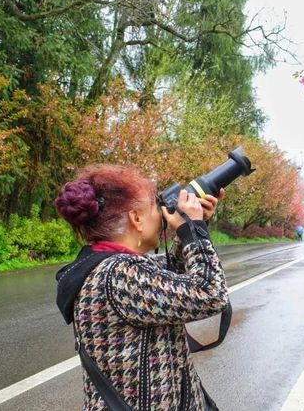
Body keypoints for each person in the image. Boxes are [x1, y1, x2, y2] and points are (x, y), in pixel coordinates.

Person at [54, 165, 228, 410]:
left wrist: (194, 229)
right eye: (155, 206)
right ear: (135, 218)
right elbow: (210, 294)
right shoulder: (119, 273)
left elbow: (171, 283)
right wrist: (193, 231)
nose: (162, 212)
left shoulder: (108, 266)